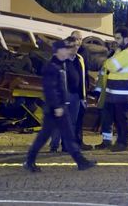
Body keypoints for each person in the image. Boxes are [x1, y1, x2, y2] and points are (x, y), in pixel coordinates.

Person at [24, 40, 96, 172]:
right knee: (45, 136)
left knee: (67, 134)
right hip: (54, 109)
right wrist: (57, 106)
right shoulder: (51, 67)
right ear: (58, 51)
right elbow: (50, 89)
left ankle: (81, 161)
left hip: (60, 107)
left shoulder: (59, 64)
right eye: (64, 49)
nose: (67, 51)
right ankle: (29, 160)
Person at [50, 35, 92, 152]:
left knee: (72, 122)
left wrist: (83, 97)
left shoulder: (79, 59)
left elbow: (83, 78)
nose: (75, 48)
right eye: (73, 46)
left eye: (77, 46)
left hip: (76, 96)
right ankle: (54, 145)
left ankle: (67, 145)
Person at [102, 27, 128, 152]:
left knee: (121, 118)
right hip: (119, 91)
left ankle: (123, 143)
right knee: (119, 118)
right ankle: (120, 142)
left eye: (118, 38)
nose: (115, 41)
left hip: (122, 91)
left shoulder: (126, 53)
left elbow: (110, 65)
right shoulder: (125, 52)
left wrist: (111, 57)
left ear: (126, 39)